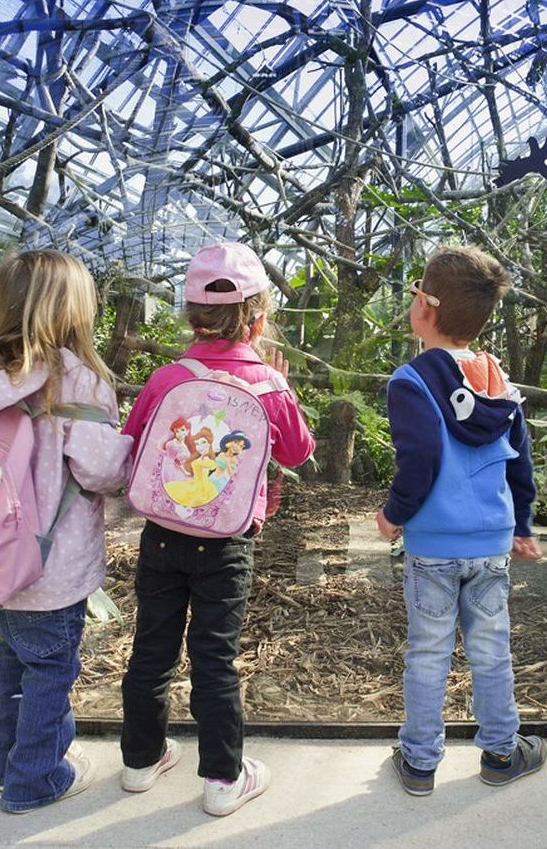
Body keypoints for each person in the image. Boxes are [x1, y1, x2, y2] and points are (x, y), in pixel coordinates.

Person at [119, 242, 315, 816]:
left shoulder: (167, 377)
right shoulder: (269, 383)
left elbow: (132, 446)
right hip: (227, 544)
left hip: (160, 536)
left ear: (189, 314)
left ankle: (139, 762)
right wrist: (280, 388)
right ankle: (223, 779)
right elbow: (299, 452)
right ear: (259, 318)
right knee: (214, 658)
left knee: (151, 649)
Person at [0, 250, 134, 813]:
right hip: (53, 566)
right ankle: (37, 778)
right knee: (51, 671)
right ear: (75, 311)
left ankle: (5, 766)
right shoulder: (77, 381)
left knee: (11, 664)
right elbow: (102, 470)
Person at [375, 245, 547, 796]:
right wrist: (522, 525)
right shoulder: (497, 380)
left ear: (424, 306)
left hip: (432, 547)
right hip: (490, 545)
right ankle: (501, 752)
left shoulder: (411, 381)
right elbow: (521, 458)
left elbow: (419, 461)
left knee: (428, 652)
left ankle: (420, 762)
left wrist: (392, 515)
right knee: (491, 650)